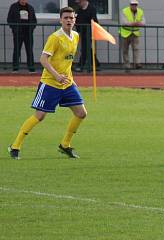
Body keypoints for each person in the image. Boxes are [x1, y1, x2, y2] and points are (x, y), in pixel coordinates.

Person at [8, 7, 86, 160]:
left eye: (71, 18)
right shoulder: (55, 38)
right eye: (66, 18)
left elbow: (67, 61)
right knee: (40, 115)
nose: (69, 20)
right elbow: (43, 59)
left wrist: (71, 79)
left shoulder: (76, 36)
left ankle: (65, 145)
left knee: (81, 113)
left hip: (67, 83)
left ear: (75, 19)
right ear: (60, 20)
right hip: (50, 83)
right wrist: (56, 76)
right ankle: (15, 146)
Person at [6, 0, 37, 73]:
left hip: (28, 33)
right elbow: (9, 19)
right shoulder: (14, 7)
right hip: (18, 33)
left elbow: (34, 20)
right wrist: (14, 28)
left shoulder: (30, 7)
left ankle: (31, 68)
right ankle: (15, 68)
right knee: (17, 50)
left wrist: (31, 29)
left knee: (29, 50)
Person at [119, 0, 144, 70]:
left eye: (135, 4)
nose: (134, 6)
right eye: (132, 4)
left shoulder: (140, 11)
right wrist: (136, 23)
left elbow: (143, 22)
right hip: (125, 33)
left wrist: (132, 23)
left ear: (137, 5)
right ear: (130, 5)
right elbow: (124, 22)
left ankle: (137, 64)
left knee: (136, 49)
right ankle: (127, 65)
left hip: (135, 33)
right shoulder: (124, 11)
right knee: (125, 50)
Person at [75, 0, 99, 72]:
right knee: (87, 48)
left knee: (85, 48)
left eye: (80, 2)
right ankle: (96, 64)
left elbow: (94, 20)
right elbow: (77, 20)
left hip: (90, 32)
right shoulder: (79, 10)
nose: (79, 4)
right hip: (82, 32)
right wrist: (79, 28)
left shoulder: (92, 9)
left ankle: (80, 65)